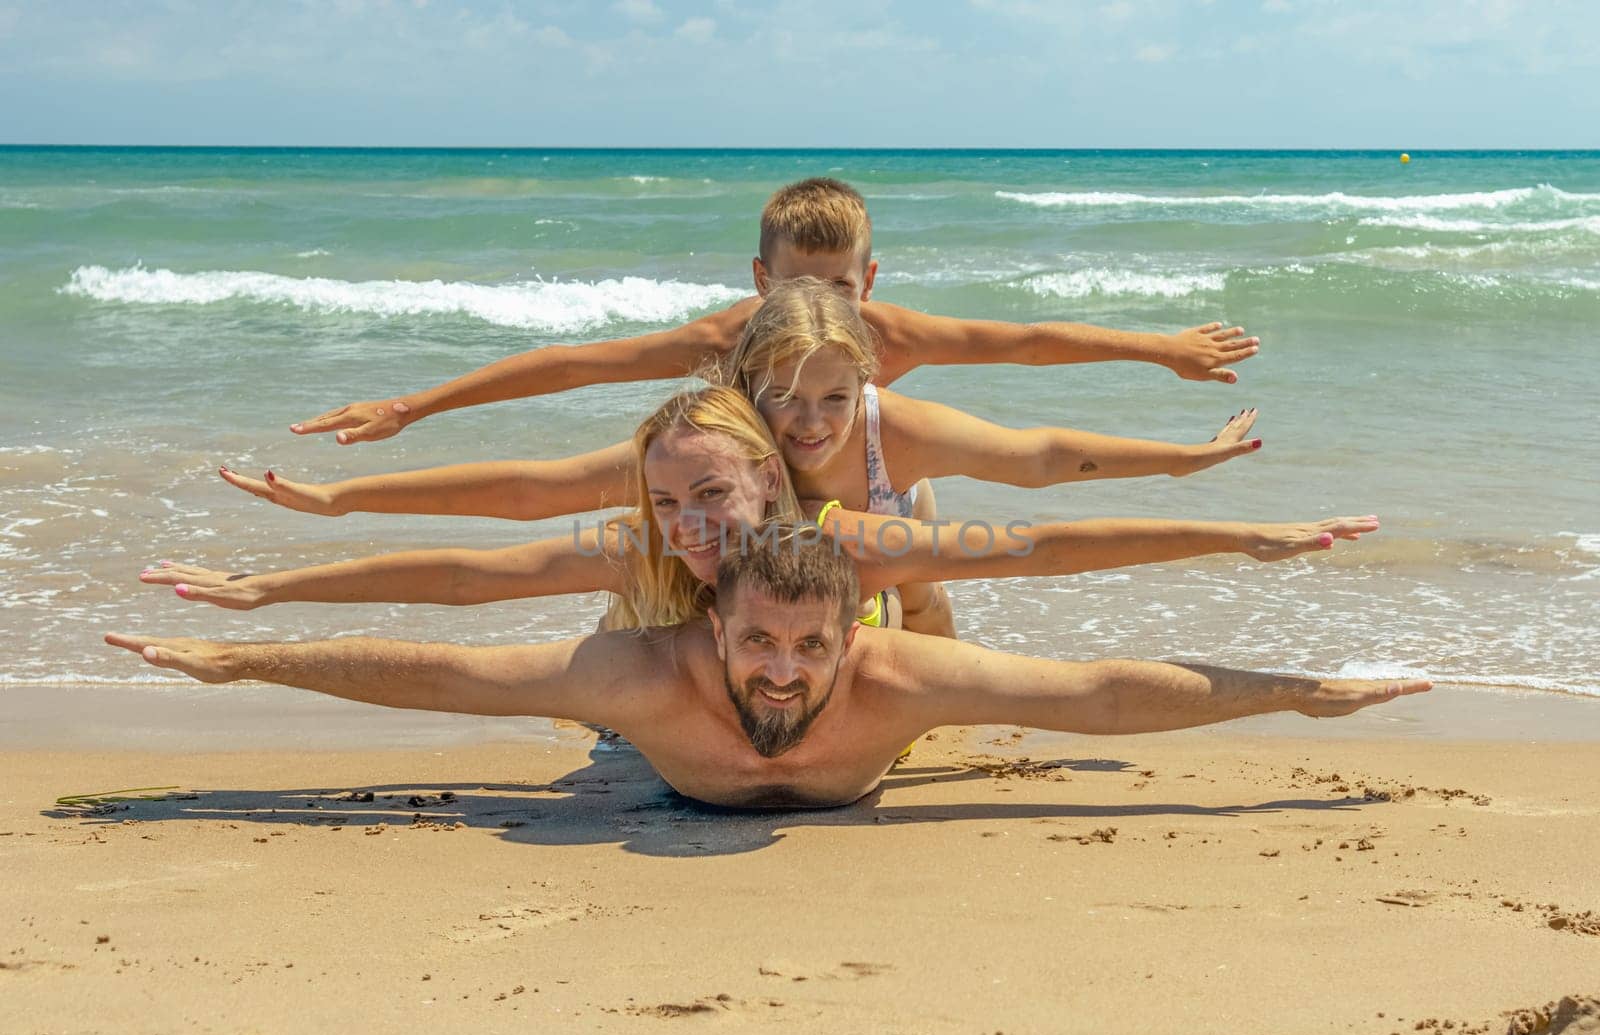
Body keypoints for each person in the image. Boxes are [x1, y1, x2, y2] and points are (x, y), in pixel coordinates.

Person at [106, 526, 1431, 811]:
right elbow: (447, 671)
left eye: (810, 643)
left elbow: (1098, 692)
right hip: (652, 756)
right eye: (758, 639)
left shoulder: (899, 673)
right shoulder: (639, 671)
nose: (784, 667)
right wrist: (237, 656)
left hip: (890, 727)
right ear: (712, 628)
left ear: (854, 635)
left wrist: (1301, 689)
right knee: (583, 732)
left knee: (1007, 698)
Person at [216, 283, 1262, 639]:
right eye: (783, 401)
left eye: (832, 401)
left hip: (849, 597)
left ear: (865, 376)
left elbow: (1043, 455)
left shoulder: (887, 426)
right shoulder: (710, 454)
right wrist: (346, 495)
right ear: (747, 389)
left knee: (931, 546)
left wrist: (1178, 459)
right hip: (713, 608)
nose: (808, 425)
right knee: (615, 556)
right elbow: (529, 488)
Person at [150, 387, 1373, 636]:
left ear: (772, 487)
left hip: (831, 623)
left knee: (929, 573)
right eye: (668, 497)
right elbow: (477, 564)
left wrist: (1240, 529)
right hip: (678, 668)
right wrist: (274, 583)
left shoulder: (832, 535)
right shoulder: (642, 538)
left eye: (713, 497)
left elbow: (1039, 536)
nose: (690, 520)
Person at [285, 177, 1261, 448]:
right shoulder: (721, 340)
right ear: (760, 280)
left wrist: (1158, 349)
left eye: (840, 286)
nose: (819, 304)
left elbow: (1031, 341)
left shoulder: (893, 337)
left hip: (863, 489)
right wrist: (411, 406)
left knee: (919, 529)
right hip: (754, 498)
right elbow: (571, 361)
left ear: (868, 283)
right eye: (799, 284)